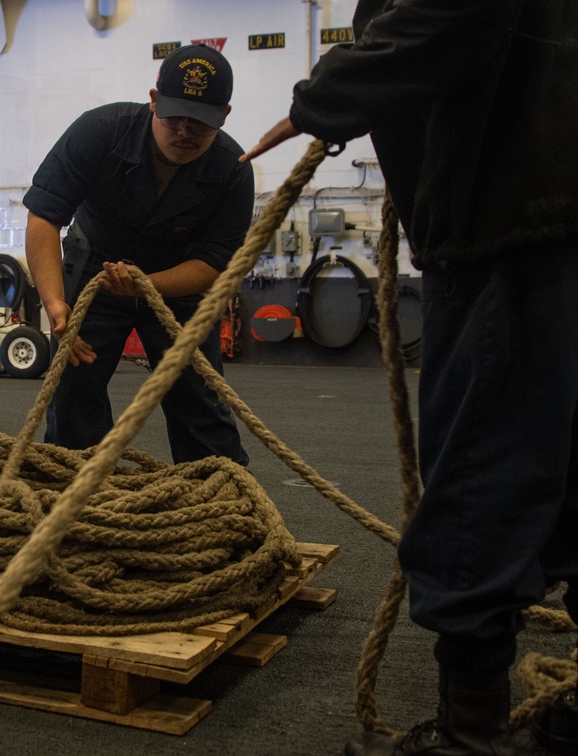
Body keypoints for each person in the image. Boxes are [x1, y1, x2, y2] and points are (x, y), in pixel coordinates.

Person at [241, 1, 578, 754]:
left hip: (506, 234)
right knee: (562, 481)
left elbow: (454, 16)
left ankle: (470, 734)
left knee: (479, 483)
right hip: (549, 222)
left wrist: (323, 102)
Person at [23, 44, 253, 467]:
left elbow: (215, 262)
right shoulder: (99, 131)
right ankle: (76, 492)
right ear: (152, 101)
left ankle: (219, 495)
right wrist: (54, 303)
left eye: (199, 122)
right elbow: (44, 217)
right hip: (93, 264)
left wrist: (147, 284)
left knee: (199, 391)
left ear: (224, 116)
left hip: (179, 281)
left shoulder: (233, 169)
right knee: (76, 387)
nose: (184, 131)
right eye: (174, 117)